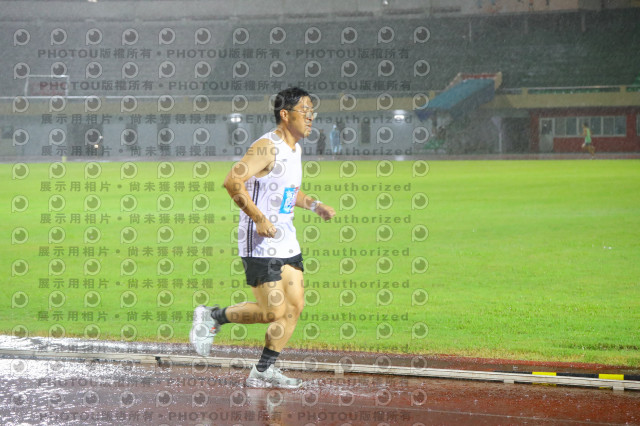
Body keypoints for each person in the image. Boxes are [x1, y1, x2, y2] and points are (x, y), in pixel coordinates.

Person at [190, 87, 336, 389]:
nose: (311, 116)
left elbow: (289, 191)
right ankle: (212, 316)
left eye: (312, 111)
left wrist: (314, 205)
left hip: (287, 240)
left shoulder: (295, 150)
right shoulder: (267, 147)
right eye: (305, 110)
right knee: (273, 310)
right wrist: (258, 218)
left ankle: (263, 371)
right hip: (259, 242)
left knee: (294, 308)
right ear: (285, 114)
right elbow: (232, 181)